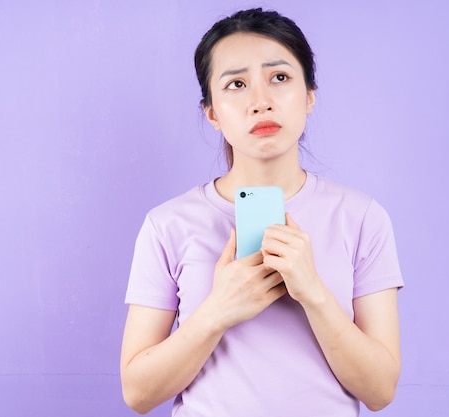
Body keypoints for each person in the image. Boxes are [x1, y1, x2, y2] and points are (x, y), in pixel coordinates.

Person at [120, 8, 403, 417]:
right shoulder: (167, 225)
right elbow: (138, 394)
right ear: (212, 112)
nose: (260, 102)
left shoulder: (362, 218)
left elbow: (380, 391)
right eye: (236, 84)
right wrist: (218, 310)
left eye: (280, 78)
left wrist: (313, 294)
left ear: (309, 96)